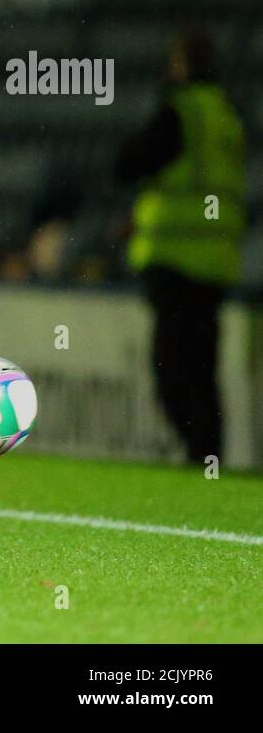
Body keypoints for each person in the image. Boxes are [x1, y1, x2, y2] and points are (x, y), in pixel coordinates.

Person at [116, 32, 246, 464]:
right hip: (217, 259)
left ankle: (198, 452)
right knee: (203, 368)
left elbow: (131, 162)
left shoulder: (181, 111)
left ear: (182, 63)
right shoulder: (227, 114)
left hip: (175, 257)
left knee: (170, 366)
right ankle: (209, 456)